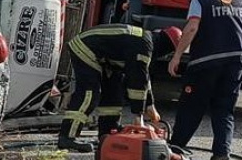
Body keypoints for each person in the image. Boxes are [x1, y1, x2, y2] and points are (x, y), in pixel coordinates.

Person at [167, 0, 242, 160]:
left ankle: (175, 148)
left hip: (207, 61)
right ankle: (222, 152)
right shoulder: (241, 2)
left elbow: (193, 26)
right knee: (224, 107)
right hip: (238, 60)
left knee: (192, 105)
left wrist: (177, 56)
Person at [57, 24, 180, 152]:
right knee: (89, 94)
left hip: (105, 57)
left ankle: (108, 132)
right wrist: (139, 117)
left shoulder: (146, 42)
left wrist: (150, 105)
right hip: (86, 48)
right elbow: (137, 82)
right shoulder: (144, 46)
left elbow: (143, 78)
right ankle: (67, 137)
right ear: (167, 48)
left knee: (113, 95)